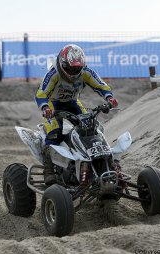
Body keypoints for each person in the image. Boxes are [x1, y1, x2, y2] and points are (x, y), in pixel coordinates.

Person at [35, 44, 119, 184]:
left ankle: (91, 162)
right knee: (54, 133)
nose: (74, 72)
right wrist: (45, 107)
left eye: (77, 69)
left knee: (90, 128)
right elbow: (41, 93)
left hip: (73, 102)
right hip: (53, 103)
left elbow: (100, 85)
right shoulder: (53, 73)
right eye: (70, 68)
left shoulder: (86, 72)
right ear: (62, 63)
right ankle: (48, 170)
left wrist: (109, 98)